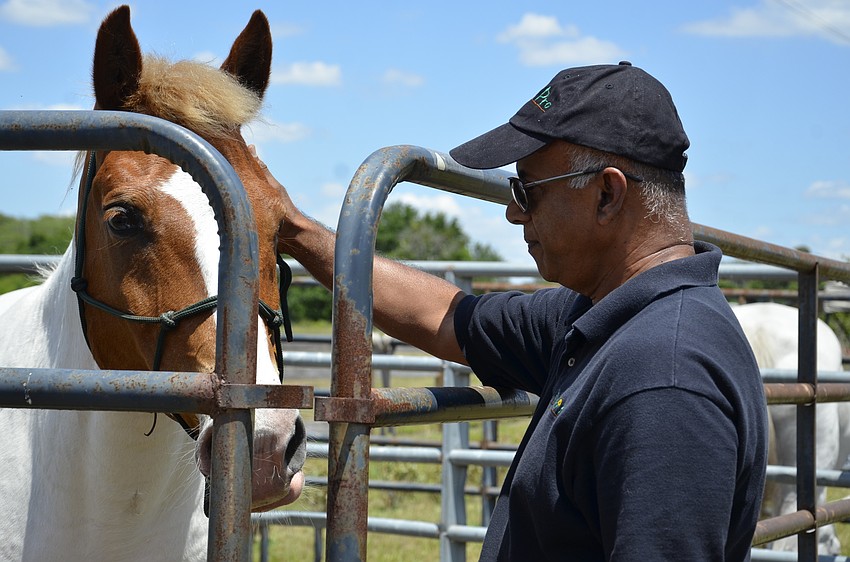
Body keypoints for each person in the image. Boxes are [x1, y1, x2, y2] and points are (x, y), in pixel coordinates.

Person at [259, 61, 768, 561]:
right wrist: (296, 231)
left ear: (607, 195)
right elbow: (449, 317)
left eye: (527, 189)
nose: (513, 211)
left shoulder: (663, 378)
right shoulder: (600, 318)